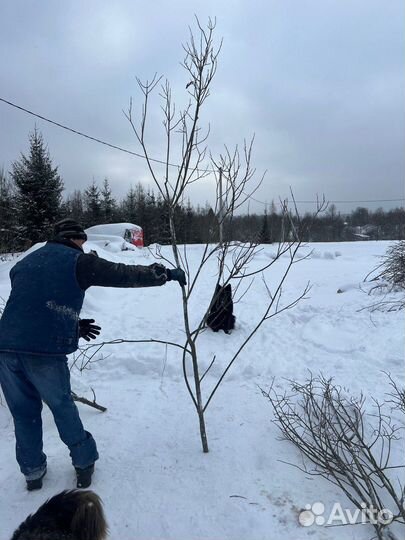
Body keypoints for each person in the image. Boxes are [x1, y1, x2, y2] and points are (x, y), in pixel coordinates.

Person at [0, 218, 186, 491]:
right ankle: (84, 464)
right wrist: (164, 274)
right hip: (44, 353)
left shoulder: (23, 264)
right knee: (62, 407)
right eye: (82, 242)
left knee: (24, 413)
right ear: (75, 239)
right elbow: (123, 274)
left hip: (5, 348)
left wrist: (72, 326)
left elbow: (34, 305)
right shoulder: (79, 261)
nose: (83, 247)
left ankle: (32, 472)